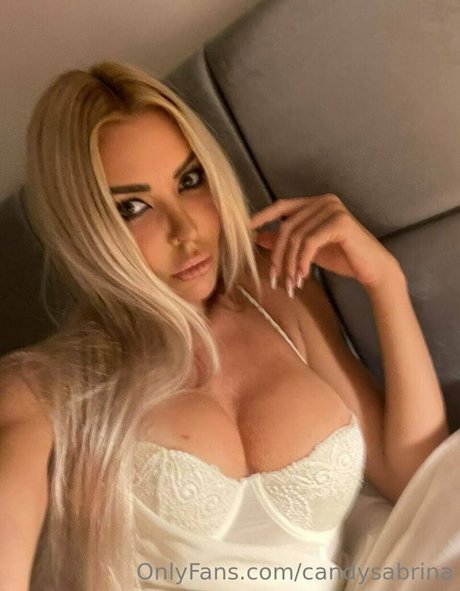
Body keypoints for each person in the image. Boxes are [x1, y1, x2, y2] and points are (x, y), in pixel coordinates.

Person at [0, 60, 458, 591]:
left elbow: (415, 478)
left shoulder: (277, 292)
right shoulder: (46, 391)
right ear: (85, 231)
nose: (186, 230)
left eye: (189, 180)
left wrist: (385, 282)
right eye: (133, 207)